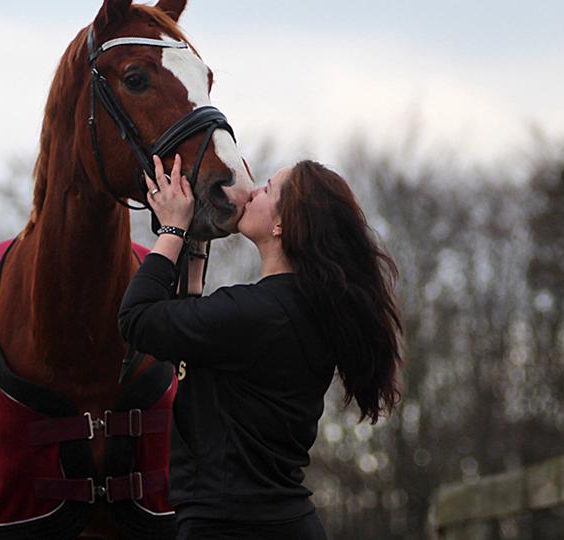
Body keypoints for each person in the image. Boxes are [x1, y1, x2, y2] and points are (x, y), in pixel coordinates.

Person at [119, 154, 403, 539]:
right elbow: (190, 332)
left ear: (282, 224)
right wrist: (198, 238)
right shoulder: (297, 311)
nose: (252, 192)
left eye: (267, 189)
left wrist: (172, 227)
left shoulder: (256, 314)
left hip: (229, 528)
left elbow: (138, 319)